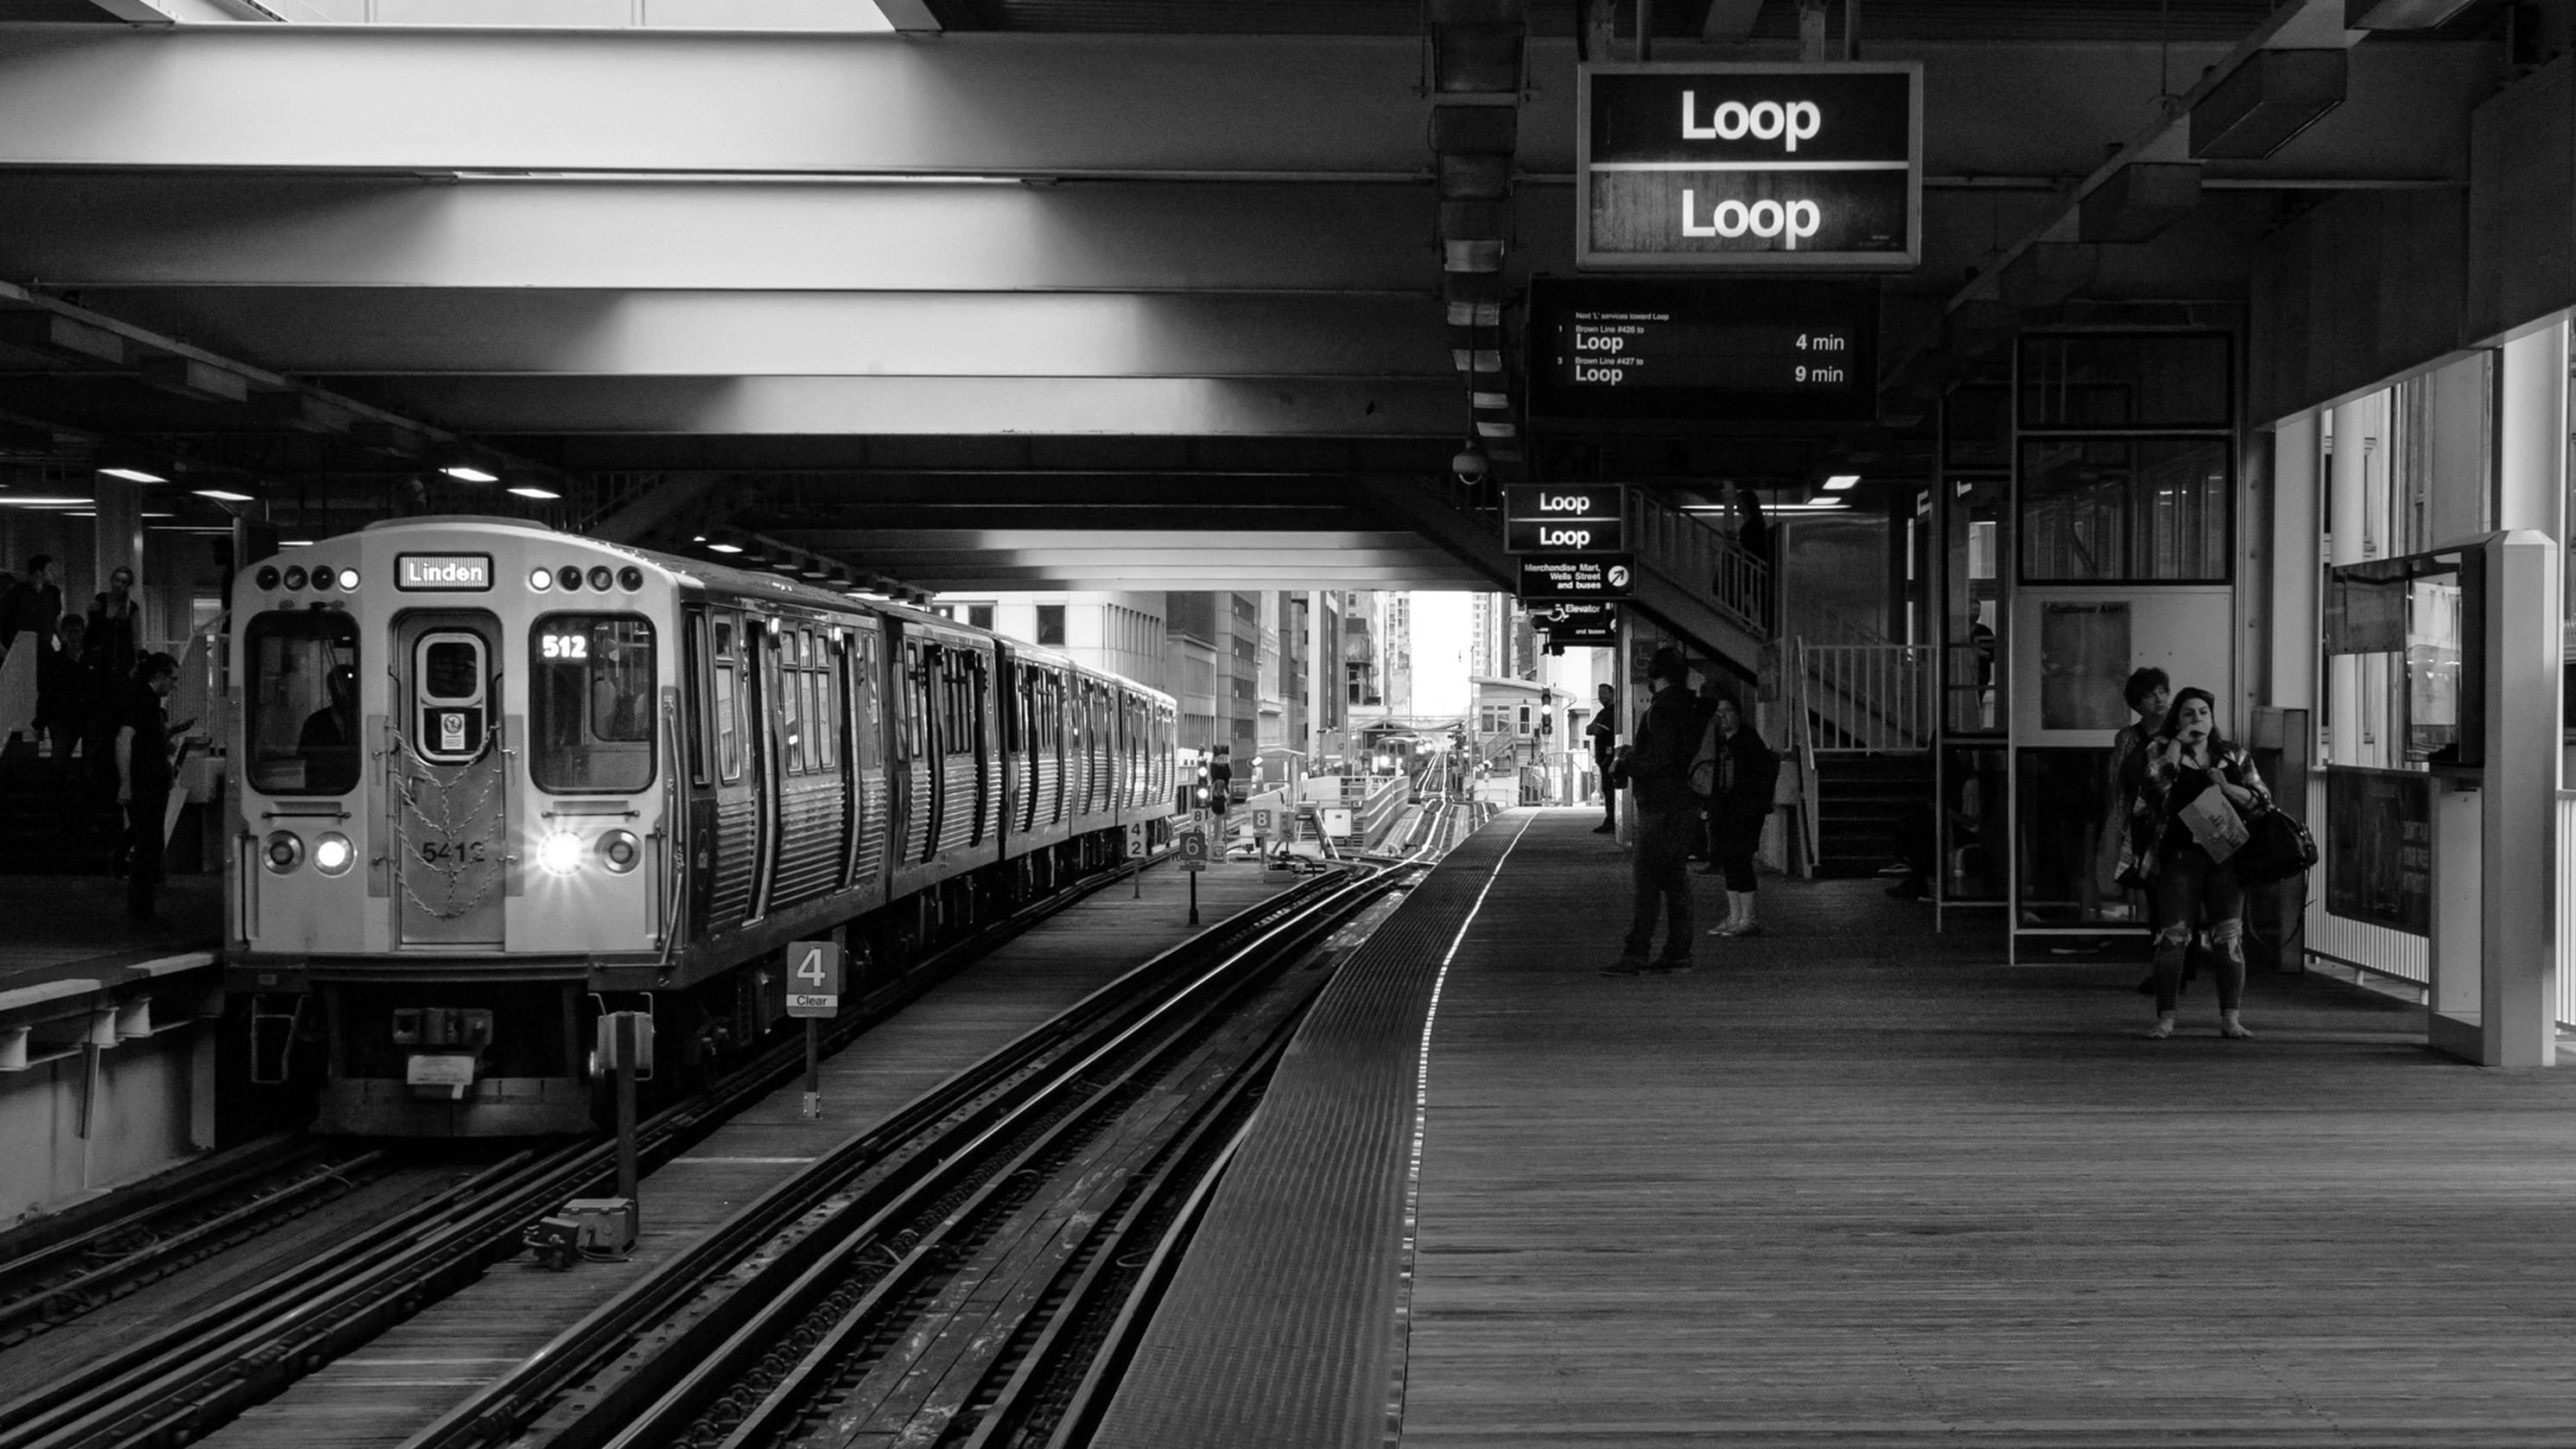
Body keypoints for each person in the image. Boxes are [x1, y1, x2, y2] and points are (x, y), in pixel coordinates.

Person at [2122, 687, 2269, 1040]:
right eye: (2188, 713)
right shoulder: (2160, 750)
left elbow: (2261, 800)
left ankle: (2230, 1018)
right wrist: (2175, 745)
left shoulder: (2232, 754)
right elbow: (2151, 789)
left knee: (2228, 937)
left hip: (2226, 858)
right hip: (2178, 857)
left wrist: (2227, 788)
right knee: (2173, 937)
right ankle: (2166, 1018)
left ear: (2213, 718)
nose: (2197, 719)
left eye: (2204, 712)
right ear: (2177, 719)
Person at [1602, 646, 1704, 976]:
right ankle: (1678, 951)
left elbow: (1661, 759)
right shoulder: (1693, 706)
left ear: (1655, 675)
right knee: (1675, 880)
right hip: (1686, 803)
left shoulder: (1662, 710)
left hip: (1660, 806)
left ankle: (1636, 953)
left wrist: (1627, 761)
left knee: (1647, 883)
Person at [2100, 667, 2172, 990]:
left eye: (2162, 691)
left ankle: (2175, 967)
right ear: (2137, 703)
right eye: (2150, 694)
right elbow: (2118, 783)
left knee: (2177, 896)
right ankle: (2163, 968)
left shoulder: (2180, 731)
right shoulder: (2128, 737)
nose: (2159, 699)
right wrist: (2121, 823)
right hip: (2144, 826)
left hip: (2176, 825)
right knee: (2154, 897)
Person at [1697, 693, 1780, 937]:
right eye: (1718, 712)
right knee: (1729, 861)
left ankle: (1748, 918)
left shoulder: (1748, 741)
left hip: (1744, 812)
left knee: (1740, 860)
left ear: (1739, 714)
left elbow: (1757, 779)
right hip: (1722, 810)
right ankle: (1735, 917)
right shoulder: (1717, 741)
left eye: (1728, 710)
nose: (1723, 716)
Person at [116, 651, 181, 923]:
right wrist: (126, 783)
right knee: (148, 845)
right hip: (146, 784)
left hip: (147, 781)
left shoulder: (143, 700)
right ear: (160, 676)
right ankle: (142, 910)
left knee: (147, 843)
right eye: (173, 679)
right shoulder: (145, 702)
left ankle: (142, 908)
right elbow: (124, 739)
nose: (175, 684)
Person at [0, 553, 61, 656]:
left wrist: (63, 640)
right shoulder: (16, 594)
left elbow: (54, 619)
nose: (52, 574)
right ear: (39, 572)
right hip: (20, 648)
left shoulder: (52, 593)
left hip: (44, 648)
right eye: (49, 570)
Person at [1586, 683, 1618, 835]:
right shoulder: (1602, 713)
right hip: (1603, 758)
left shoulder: (1611, 712)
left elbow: (1597, 729)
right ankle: (1610, 818)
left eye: (1604, 693)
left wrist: (1596, 728)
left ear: (1612, 694)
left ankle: (1611, 820)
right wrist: (1596, 728)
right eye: (1599, 694)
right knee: (1607, 789)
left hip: (1609, 756)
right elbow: (1588, 729)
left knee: (1610, 789)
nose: (1601, 697)